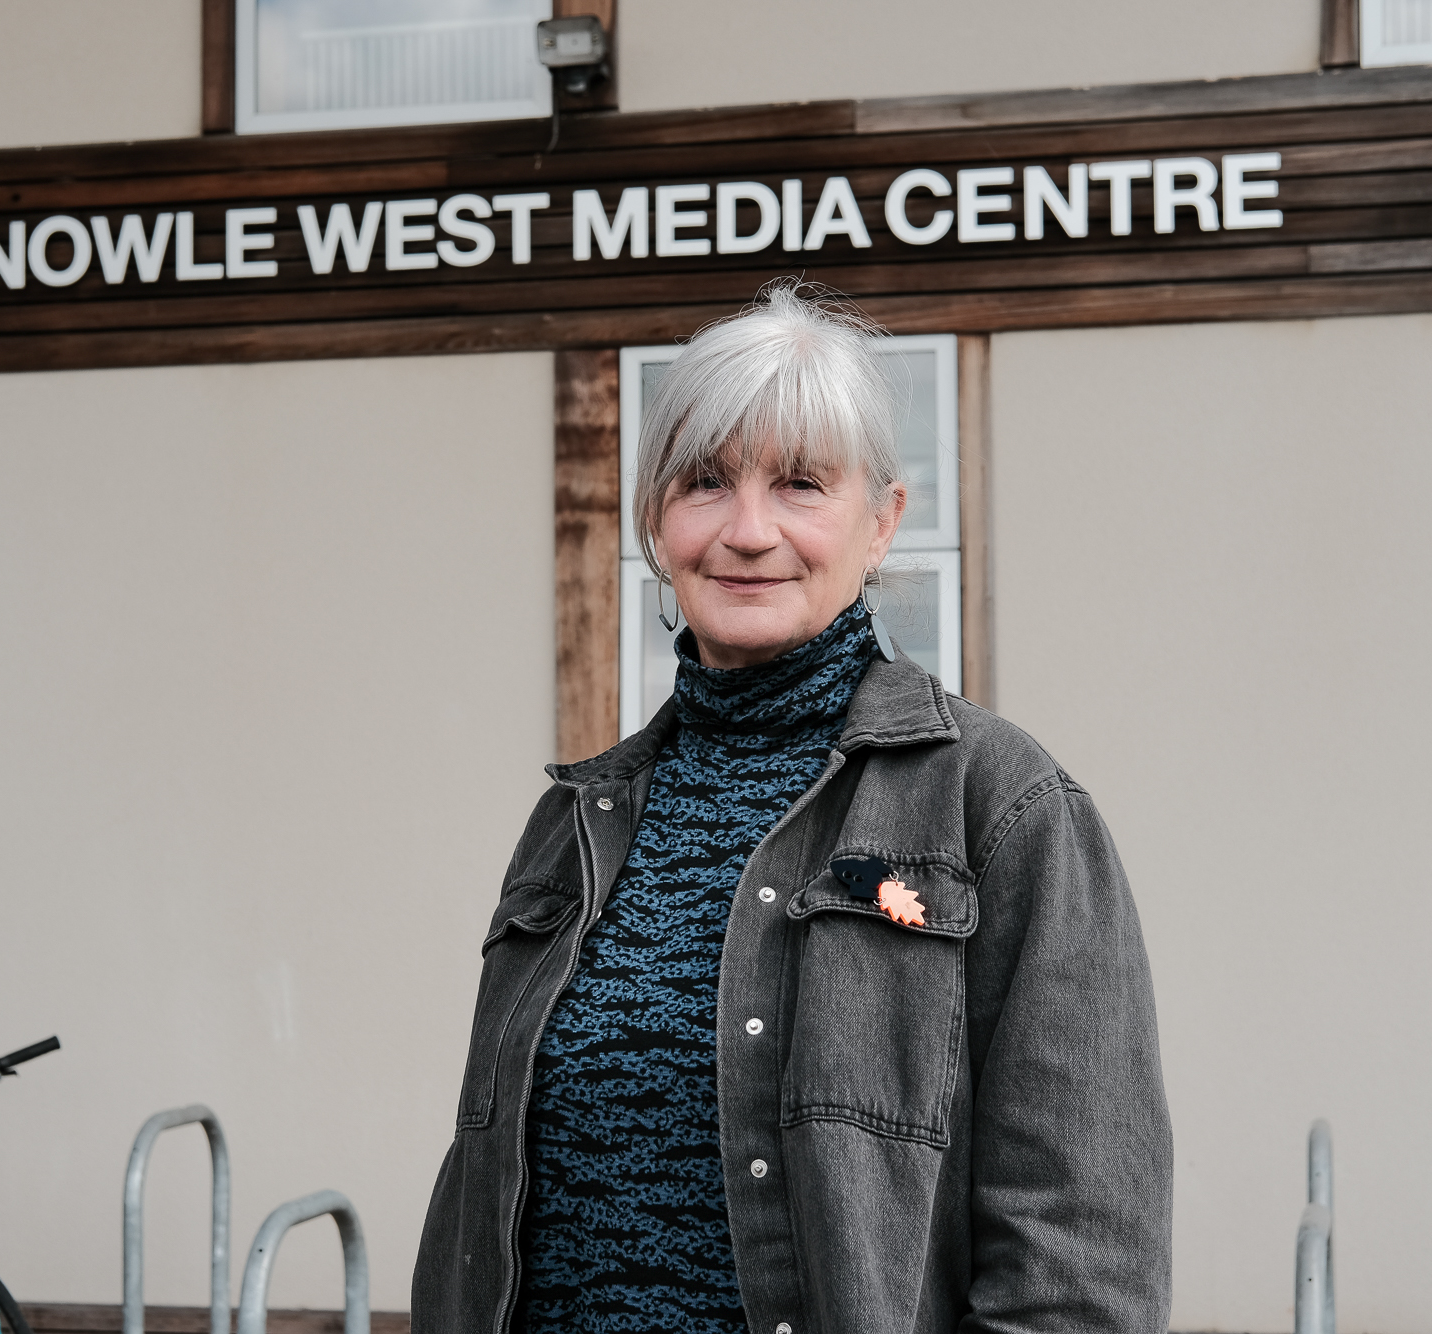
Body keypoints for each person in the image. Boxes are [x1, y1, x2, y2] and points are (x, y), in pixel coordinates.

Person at [413, 283, 1171, 1334]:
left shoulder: (1001, 809)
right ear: (654, 519)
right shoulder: (575, 822)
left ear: (881, 522)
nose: (748, 530)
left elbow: (1077, 1256)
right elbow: (480, 1198)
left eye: (801, 484)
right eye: (705, 482)